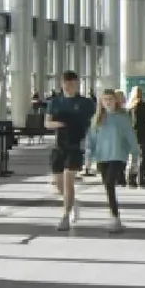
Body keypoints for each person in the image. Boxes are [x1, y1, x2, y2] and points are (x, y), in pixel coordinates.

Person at [44, 72, 97, 231]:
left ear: (77, 84)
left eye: (72, 83)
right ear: (62, 84)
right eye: (66, 83)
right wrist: (61, 124)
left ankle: (65, 216)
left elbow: (93, 123)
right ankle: (72, 203)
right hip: (59, 145)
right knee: (59, 184)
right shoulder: (54, 102)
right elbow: (47, 123)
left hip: (76, 146)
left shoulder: (85, 103)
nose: (69, 86)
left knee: (68, 182)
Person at [81, 89, 136, 234]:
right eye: (105, 99)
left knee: (110, 183)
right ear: (101, 102)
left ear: (116, 100)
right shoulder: (97, 118)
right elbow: (91, 139)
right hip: (101, 157)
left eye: (110, 99)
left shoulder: (123, 118)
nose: (108, 102)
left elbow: (131, 137)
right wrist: (88, 158)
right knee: (107, 185)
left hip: (118, 156)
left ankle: (115, 217)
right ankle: (114, 215)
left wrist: (135, 155)